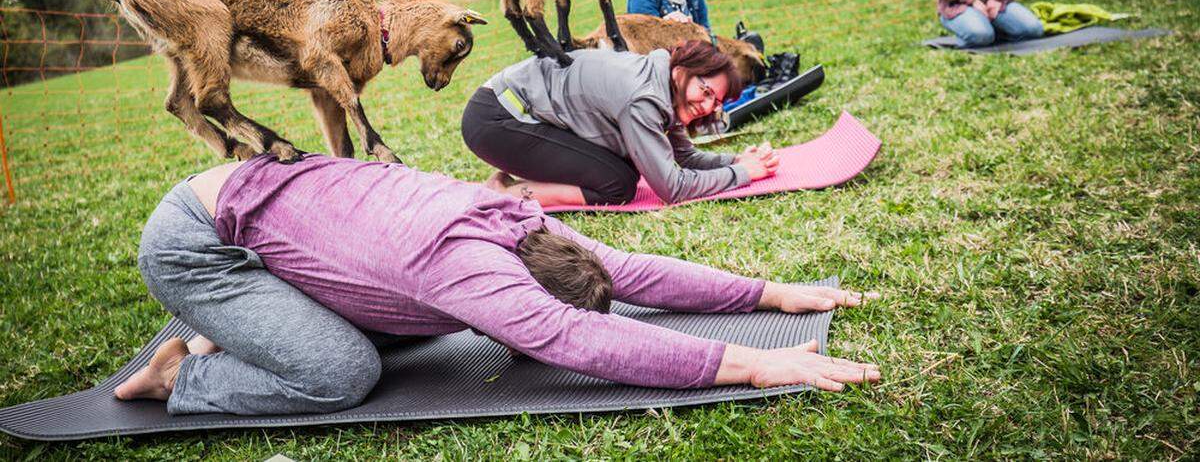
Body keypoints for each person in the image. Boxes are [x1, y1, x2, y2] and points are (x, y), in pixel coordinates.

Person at [114, 154, 881, 415]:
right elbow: (575, 335)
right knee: (342, 371)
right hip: (195, 242)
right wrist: (751, 363)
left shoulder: (522, 219)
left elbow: (635, 272)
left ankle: (247, 318)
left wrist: (769, 292)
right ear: (518, 296)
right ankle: (182, 373)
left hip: (263, 208)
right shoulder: (467, 266)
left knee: (413, 320)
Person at [460, 40, 780, 208]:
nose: (707, 105)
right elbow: (673, 188)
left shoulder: (663, 84)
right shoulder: (644, 97)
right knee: (619, 184)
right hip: (498, 120)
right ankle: (506, 194)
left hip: (514, 115)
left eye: (717, 102)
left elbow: (682, 157)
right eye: (706, 91)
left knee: (623, 172)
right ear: (682, 71)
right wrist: (743, 174)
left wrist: (734, 160)